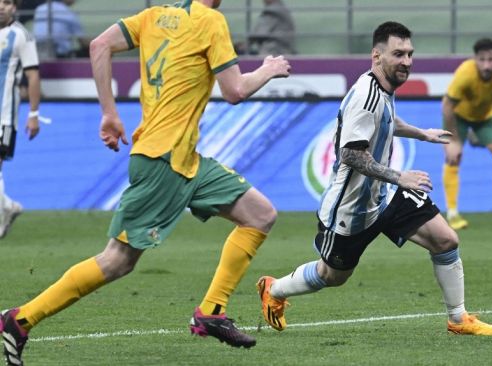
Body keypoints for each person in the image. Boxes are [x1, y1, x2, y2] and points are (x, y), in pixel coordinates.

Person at [0, 0, 290, 363]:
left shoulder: (152, 17)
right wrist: (270, 69)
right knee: (117, 260)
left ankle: (211, 312)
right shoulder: (210, 21)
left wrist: (109, 112)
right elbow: (235, 91)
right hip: (164, 162)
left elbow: (99, 45)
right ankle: (21, 319)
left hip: (185, 159)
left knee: (260, 214)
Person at [256, 21, 492, 338]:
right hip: (350, 211)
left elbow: (387, 119)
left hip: (383, 196)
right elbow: (351, 155)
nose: (407, 61)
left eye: (410, 54)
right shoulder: (365, 96)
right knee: (332, 275)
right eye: (398, 54)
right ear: (377, 56)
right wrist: (399, 176)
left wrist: (421, 134)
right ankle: (275, 289)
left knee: (445, 240)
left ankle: (458, 319)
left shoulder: (382, 89)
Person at [441, 38, 492, 230]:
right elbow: (447, 106)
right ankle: (453, 215)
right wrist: (452, 142)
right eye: (482, 59)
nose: (486, 65)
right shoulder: (465, 73)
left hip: (486, 117)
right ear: (475, 59)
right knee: (453, 157)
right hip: (458, 117)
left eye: (491, 59)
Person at [0, 0, 42, 239]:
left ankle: (6, 207)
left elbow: (33, 75)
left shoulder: (22, 36)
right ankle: (8, 206)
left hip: (4, 115)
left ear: (15, 7)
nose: (1, 6)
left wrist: (33, 114)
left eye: (7, 2)